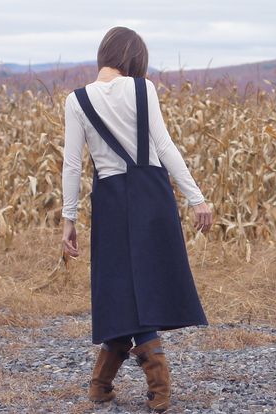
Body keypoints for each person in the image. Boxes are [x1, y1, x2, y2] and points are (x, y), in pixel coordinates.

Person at [61, 26, 213, 413]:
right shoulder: (144, 89)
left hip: (110, 199)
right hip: (151, 193)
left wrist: (69, 219)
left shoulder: (76, 100)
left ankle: (102, 384)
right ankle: (153, 385)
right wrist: (196, 198)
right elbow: (164, 145)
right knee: (141, 286)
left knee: (120, 288)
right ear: (133, 58)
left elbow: (72, 165)